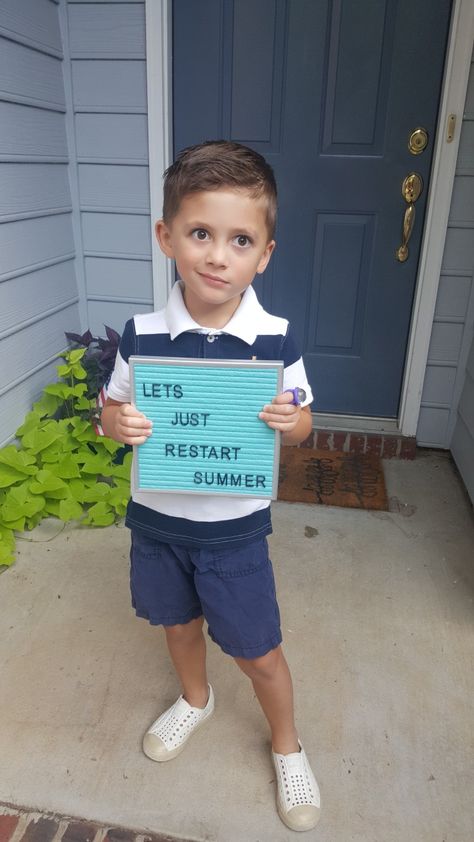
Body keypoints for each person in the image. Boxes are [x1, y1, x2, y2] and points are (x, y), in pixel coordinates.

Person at [100, 140, 321, 832]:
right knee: (177, 625)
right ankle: (195, 699)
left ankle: (288, 744)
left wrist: (290, 419)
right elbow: (111, 414)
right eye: (200, 233)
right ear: (167, 237)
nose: (217, 255)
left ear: (265, 254)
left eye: (240, 239)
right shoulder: (142, 336)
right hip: (159, 522)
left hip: (234, 533)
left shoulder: (274, 340)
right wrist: (122, 424)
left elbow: (305, 423)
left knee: (258, 650)